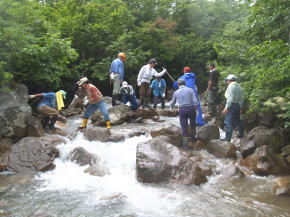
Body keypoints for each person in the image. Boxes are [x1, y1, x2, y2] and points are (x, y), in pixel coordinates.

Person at [170, 79, 199, 150]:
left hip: (182, 110)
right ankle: (193, 138)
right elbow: (195, 101)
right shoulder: (190, 90)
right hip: (191, 109)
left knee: (184, 126)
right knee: (193, 124)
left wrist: (171, 107)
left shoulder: (176, 92)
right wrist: (196, 109)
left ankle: (185, 145)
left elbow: (172, 103)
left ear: (178, 85)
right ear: (185, 84)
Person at [221, 74, 244, 142]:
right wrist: (241, 106)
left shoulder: (231, 86)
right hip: (237, 105)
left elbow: (230, 98)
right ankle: (241, 134)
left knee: (228, 122)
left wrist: (226, 107)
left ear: (229, 80)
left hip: (231, 106)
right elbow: (242, 97)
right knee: (238, 121)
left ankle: (227, 139)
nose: (226, 82)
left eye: (227, 80)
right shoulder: (239, 86)